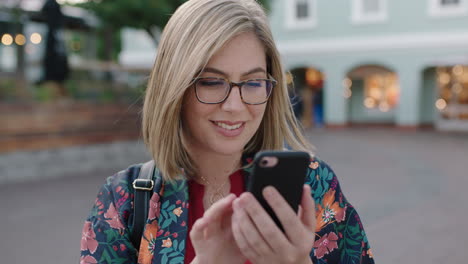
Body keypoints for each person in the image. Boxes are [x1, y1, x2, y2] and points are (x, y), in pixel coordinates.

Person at [80, 0, 374, 263]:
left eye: (253, 82)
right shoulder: (125, 199)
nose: (235, 105)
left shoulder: (313, 184)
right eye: (211, 82)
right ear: (174, 88)